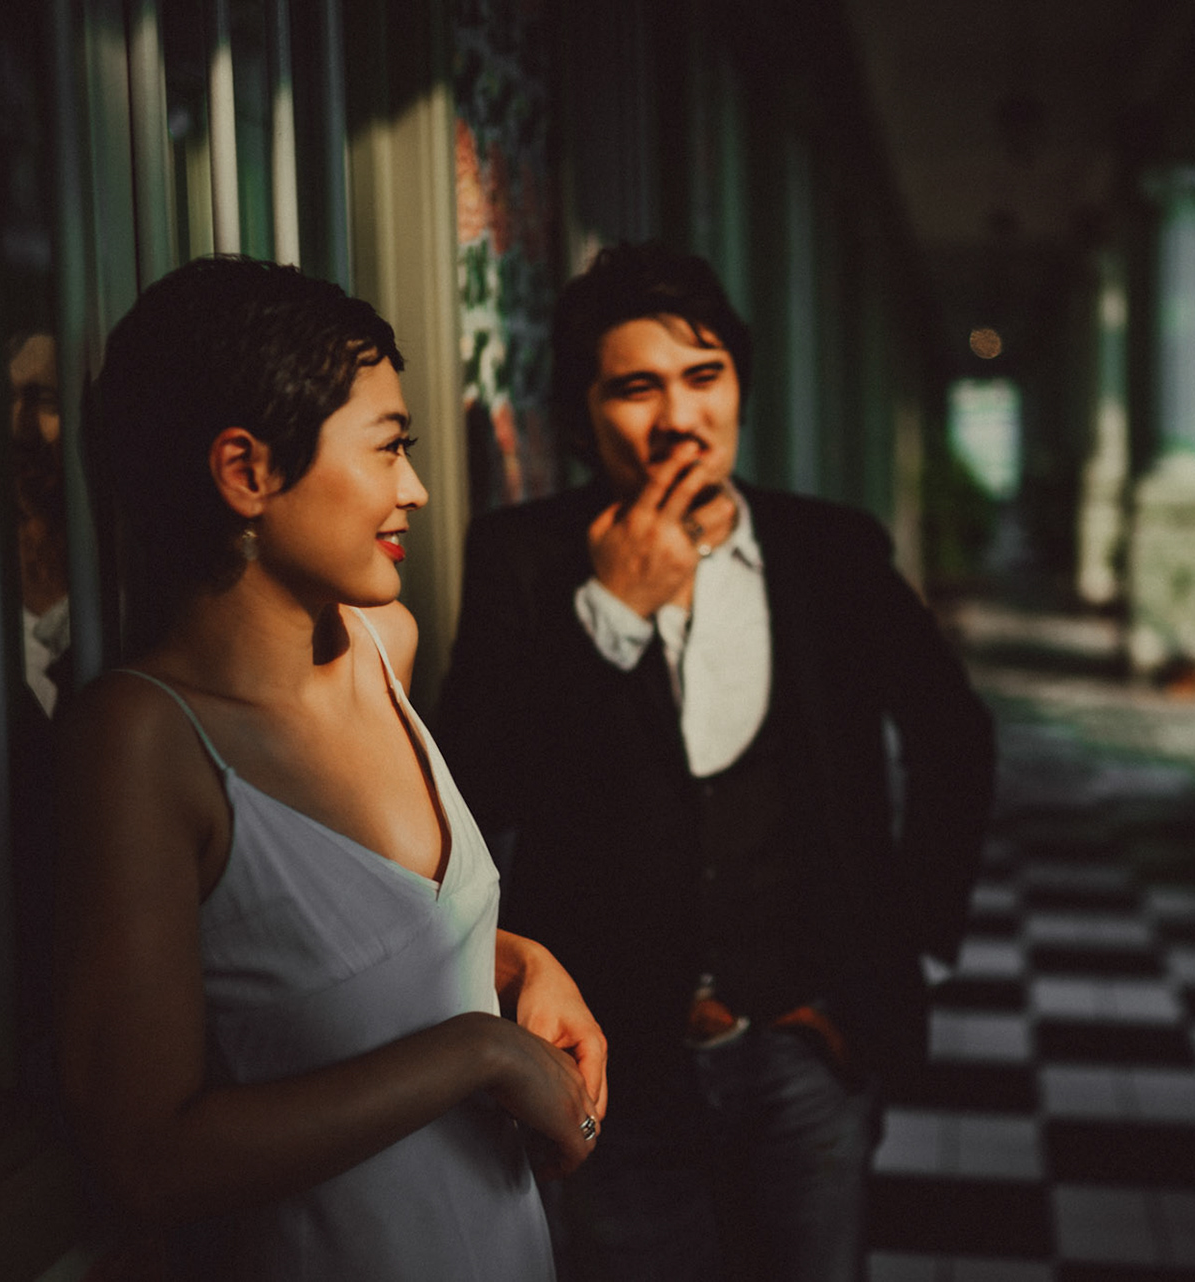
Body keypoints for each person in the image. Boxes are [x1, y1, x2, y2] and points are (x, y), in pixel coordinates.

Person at [435, 242, 996, 1281]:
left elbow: (955, 738)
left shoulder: (831, 552)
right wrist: (608, 613)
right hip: (609, 1059)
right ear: (583, 410)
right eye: (636, 387)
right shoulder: (524, 558)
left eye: (704, 378)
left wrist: (907, 953)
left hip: (807, 1043)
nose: (679, 417)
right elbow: (474, 789)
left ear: (739, 387)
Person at [55, 255, 606, 1281]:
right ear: (247, 473)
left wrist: (521, 961)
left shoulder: (380, 645)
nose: (418, 488)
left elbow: (337, 942)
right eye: (391, 447)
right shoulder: (144, 743)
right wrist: (476, 1052)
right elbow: (148, 1159)